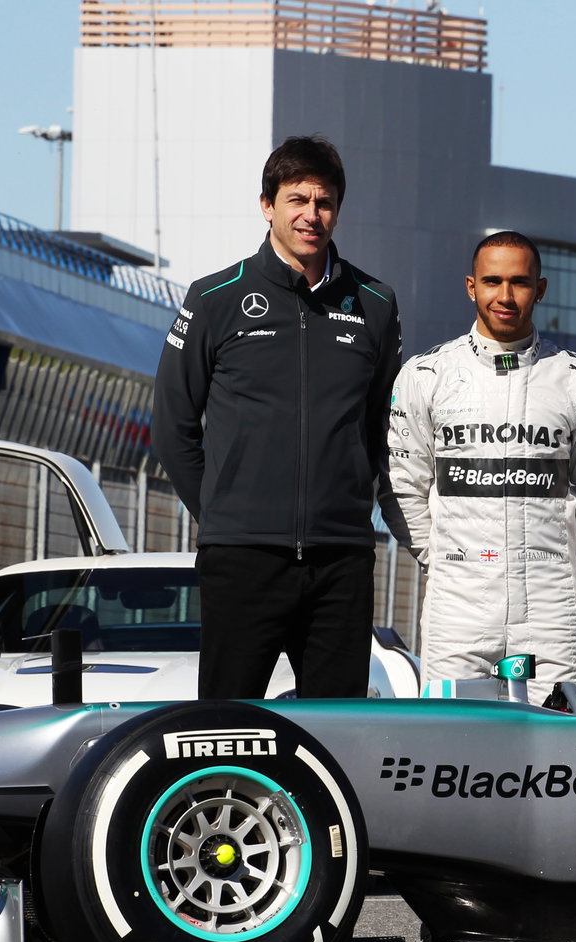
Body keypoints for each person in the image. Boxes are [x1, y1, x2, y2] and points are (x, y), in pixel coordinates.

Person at [152, 135, 401, 698]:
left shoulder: (376, 304)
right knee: (225, 727)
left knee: (338, 739)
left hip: (341, 560)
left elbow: (384, 429)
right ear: (267, 205)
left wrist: (351, 503)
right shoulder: (215, 297)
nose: (311, 215)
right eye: (297, 200)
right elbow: (173, 427)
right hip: (242, 559)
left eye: (324, 201)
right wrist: (223, 513)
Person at [385, 231, 576, 699]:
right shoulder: (426, 374)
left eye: (519, 282)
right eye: (492, 281)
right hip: (457, 598)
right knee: (451, 744)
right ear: (471, 286)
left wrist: (565, 562)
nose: (506, 296)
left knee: (556, 745)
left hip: (549, 600)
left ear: (541, 288)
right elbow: (402, 484)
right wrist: (442, 560)